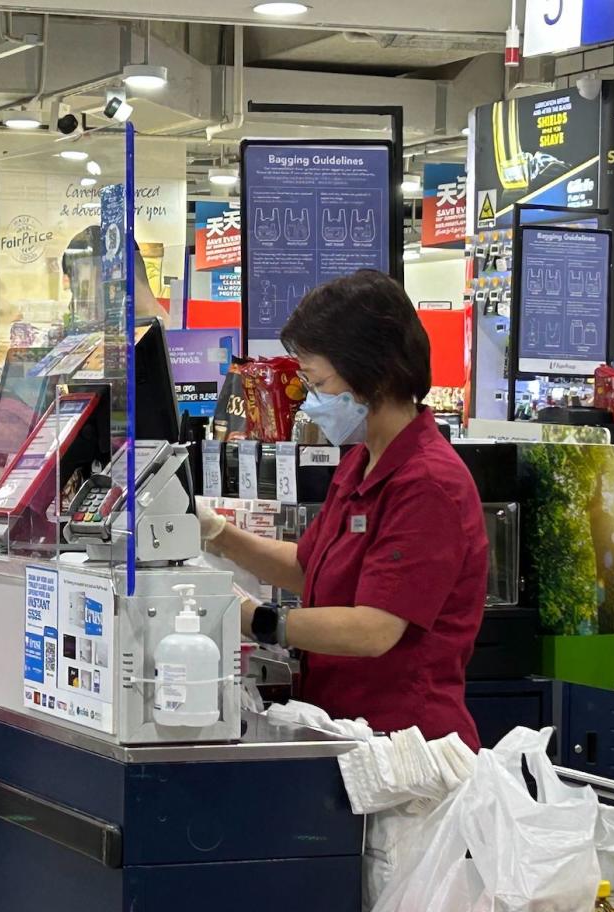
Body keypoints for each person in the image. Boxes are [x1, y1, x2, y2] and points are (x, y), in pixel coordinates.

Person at [202, 269, 487, 749]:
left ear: (369, 373)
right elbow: (307, 568)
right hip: (345, 728)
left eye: (316, 382)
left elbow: (374, 628)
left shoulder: (427, 483)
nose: (310, 403)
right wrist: (216, 535)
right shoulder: (360, 462)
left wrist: (258, 620)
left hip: (405, 742)